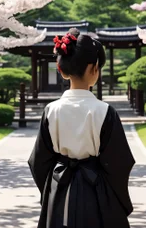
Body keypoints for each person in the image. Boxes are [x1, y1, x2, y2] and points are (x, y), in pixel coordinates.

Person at [28, 28, 135, 228]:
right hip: (97, 193)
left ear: (61, 70)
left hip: (59, 189)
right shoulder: (104, 111)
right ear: (94, 69)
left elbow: (39, 161)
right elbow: (119, 163)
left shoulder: (51, 111)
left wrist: (50, 191)